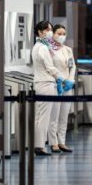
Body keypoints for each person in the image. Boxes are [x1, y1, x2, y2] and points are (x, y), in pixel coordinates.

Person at [31, 21, 64, 156]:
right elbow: (50, 67)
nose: (50, 32)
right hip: (46, 83)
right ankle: (39, 146)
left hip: (42, 83)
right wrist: (61, 77)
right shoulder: (42, 47)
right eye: (48, 29)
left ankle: (39, 145)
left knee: (40, 116)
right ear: (40, 32)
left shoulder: (39, 46)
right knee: (43, 117)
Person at [48, 24, 76, 153]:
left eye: (64, 34)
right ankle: (53, 143)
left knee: (64, 115)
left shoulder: (68, 50)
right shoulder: (48, 49)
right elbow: (49, 68)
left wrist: (70, 80)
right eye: (59, 33)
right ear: (53, 34)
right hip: (55, 85)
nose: (62, 36)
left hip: (67, 86)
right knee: (54, 116)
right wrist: (60, 80)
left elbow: (72, 66)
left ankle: (62, 142)